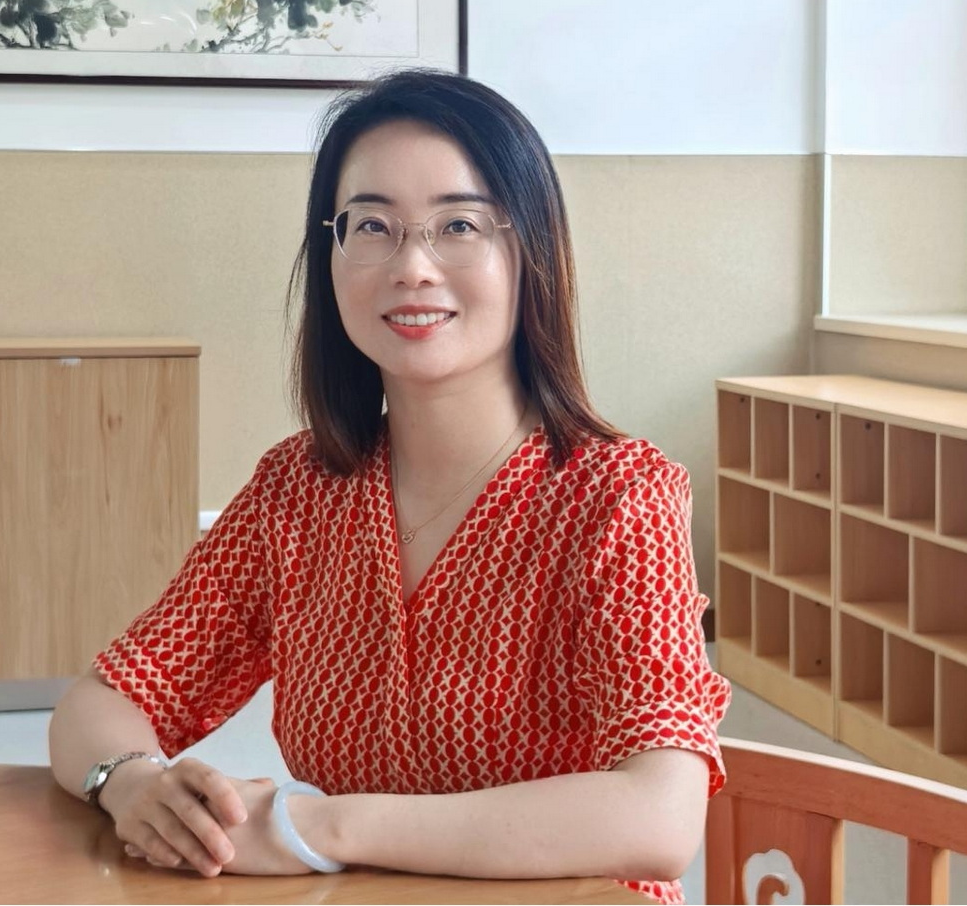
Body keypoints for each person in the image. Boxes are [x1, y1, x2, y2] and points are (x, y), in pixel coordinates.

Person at [49, 69, 730, 905]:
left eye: (459, 225)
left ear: (532, 251)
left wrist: (323, 826)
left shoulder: (620, 497)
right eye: (372, 225)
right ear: (331, 253)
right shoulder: (296, 492)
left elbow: (661, 818)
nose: (412, 266)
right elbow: (105, 699)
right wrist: (130, 782)